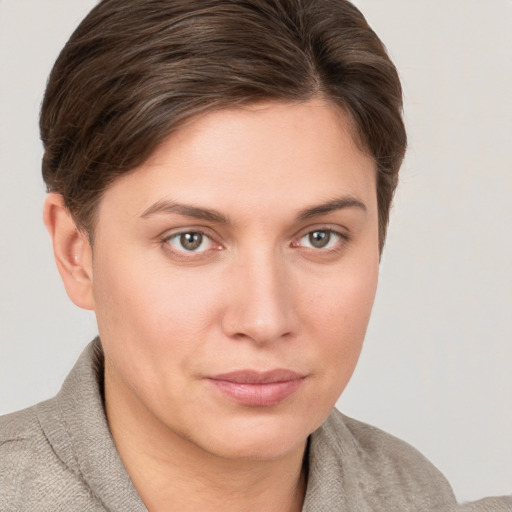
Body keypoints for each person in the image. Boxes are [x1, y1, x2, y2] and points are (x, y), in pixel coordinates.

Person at [0, 1, 510, 511]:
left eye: (319, 237)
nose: (265, 320)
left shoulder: (417, 496)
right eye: (190, 240)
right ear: (76, 254)